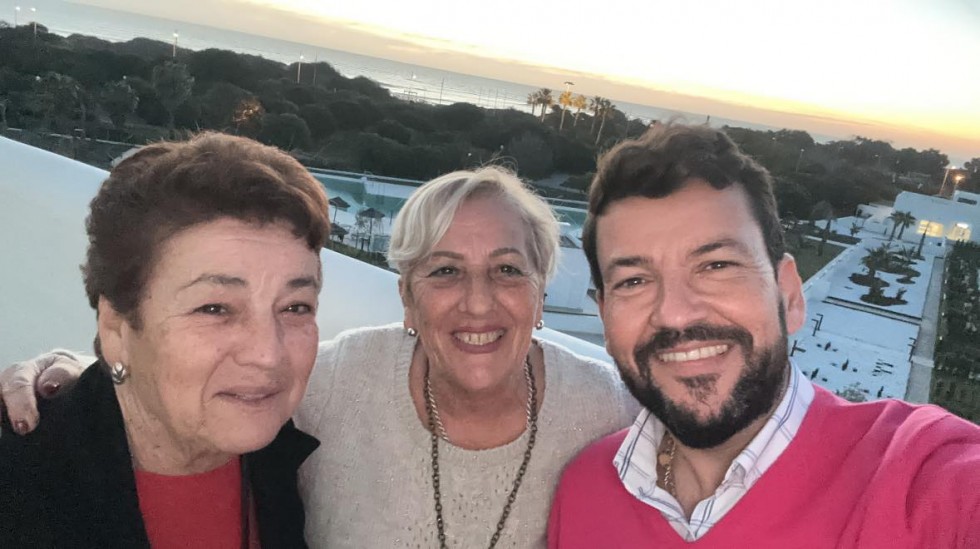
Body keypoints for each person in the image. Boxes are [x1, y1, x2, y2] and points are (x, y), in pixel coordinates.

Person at [2, 166, 637, 548]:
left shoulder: (611, 409)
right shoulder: (335, 383)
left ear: (540, 293)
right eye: (444, 270)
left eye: (508, 269)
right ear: (406, 298)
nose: (478, 301)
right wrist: (95, 375)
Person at [547, 123, 980, 548]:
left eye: (717, 266)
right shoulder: (584, 489)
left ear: (789, 294)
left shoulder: (922, 482)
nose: (675, 314)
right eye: (634, 281)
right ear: (604, 317)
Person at [0, 133, 331, 548]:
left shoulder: (278, 456)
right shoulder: (18, 490)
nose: (268, 353)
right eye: (214, 308)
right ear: (116, 329)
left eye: (296, 307)